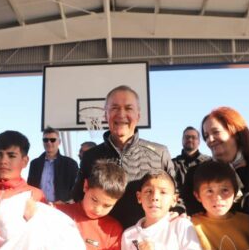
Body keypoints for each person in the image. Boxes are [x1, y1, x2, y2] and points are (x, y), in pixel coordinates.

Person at [74, 85, 177, 229]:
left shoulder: (160, 154)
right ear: (105, 115)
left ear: (138, 116)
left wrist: (179, 212)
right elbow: (78, 197)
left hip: (145, 241)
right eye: (115, 108)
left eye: (128, 108)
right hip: (104, 243)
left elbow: (176, 197)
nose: (121, 114)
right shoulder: (90, 156)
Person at [116, 171, 205, 250]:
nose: (155, 197)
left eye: (163, 192)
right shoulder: (129, 234)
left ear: (174, 199)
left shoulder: (181, 226)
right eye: (148, 191)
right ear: (139, 197)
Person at [200, 107, 249, 213]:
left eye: (216, 132)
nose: (210, 140)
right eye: (206, 136)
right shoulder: (203, 174)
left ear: (235, 132)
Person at [27, 127, 78, 203]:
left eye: (53, 140)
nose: (49, 143)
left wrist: (64, 201)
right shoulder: (35, 163)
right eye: (45, 140)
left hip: (61, 208)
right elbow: (30, 186)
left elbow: (76, 187)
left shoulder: (70, 164)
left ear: (59, 142)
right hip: (39, 206)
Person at [172, 126, 210, 216]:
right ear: (182, 140)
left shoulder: (208, 163)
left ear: (199, 141)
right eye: (187, 137)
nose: (190, 139)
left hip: (204, 213)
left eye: (193, 137)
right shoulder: (172, 163)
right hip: (178, 213)